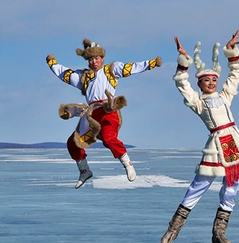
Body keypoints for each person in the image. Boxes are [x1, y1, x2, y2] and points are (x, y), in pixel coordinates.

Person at [161, 31, 239, 243]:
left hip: (234, 143)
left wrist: (232, 52)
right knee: (198, 186)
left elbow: (235, 76)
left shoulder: (225, 97)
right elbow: (182, 85)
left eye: (214, 79)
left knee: (231, 188)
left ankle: (219, 234)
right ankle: (173, 229)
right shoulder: (198, 102)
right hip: (216, 145)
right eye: (207, 80)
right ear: (200, 84)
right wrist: (183, 62)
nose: (212, 83)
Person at [47, 39, 162, 187]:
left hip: (108, 110)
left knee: (109, 139)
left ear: (102, 59)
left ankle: (128, 163)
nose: (94, 62)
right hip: (91, 114)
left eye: (96, 58)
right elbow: (65, 74)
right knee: (72, 143)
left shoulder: (111, 70)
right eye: (91, 59)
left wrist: (152, 63)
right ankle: (84, 171)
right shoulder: (84, 77)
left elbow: (131, 68)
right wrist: (52, 63)